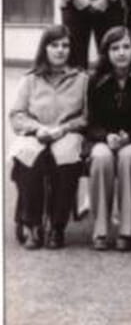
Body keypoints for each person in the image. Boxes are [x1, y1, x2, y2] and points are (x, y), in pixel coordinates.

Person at [9, 25, 87, 250]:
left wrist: (65, 128)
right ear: (45, 48)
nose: (61, 50)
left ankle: (57, 226)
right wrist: (37, 129)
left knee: (66, 158)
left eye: (65, 45)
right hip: (37, 132)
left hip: (67, 133)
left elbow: (87, 116)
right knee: (28, 155)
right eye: (54, 45)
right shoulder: (30, 79)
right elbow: (16, 114)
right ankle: (32, 224)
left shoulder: (81, 79)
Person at [86, 26, 131, 252]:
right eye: (115, 48)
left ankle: (127, 229)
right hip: (104, 140)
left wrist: (130, 137)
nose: (121, 53)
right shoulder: (95, 80)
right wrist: (106, 137)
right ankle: (101, 229)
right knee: (101, 157)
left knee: (128, 157)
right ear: (106, 52)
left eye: (126, 47)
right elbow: (90, 122)